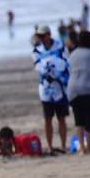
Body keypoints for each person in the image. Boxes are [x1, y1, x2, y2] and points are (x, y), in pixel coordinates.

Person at [32, 25, 70, 155]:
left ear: (49, 35)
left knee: (61, 118)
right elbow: (37, 66)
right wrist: (45, 69)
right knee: (47, 118)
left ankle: (64, 145)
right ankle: (50, 146)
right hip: (45, 89)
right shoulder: (37, 50)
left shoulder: (60, 46)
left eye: (43, 36)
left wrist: (58, 70)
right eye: (39, 36)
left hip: (60, 88)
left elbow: (66, 62)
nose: (41, 39)